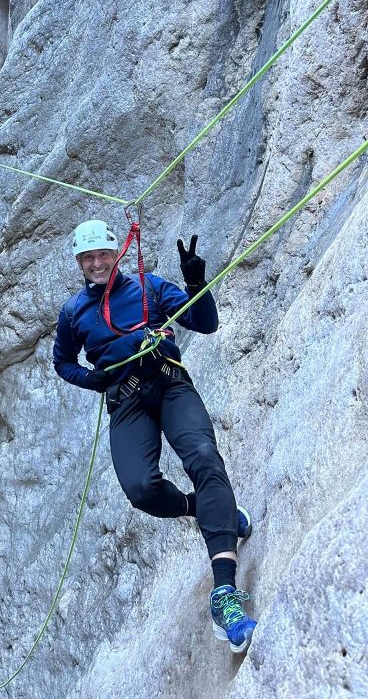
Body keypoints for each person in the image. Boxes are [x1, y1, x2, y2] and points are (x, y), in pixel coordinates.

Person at [53, 219, 256, 653]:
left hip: (170, 382)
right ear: (79, 263)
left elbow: (206, 323)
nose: (96, 263)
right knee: (141, 489)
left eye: (103, 254)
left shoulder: (149, 287)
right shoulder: (74, 313)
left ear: (116, 253)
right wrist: (97, 379)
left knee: (203, 456)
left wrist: (197, 280)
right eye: (87, 258)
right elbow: (63, 363)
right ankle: (209, 508)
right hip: (125, 399)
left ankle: (224, 597)